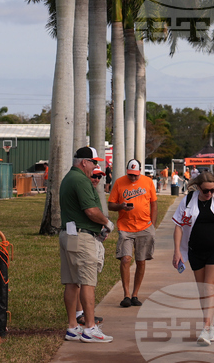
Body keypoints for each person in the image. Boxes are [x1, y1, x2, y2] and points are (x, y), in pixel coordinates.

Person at [171, 170, 214, 346]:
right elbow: (178, 227)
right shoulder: (187, 201)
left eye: (212, 190)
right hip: (195, 251)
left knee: (209, 288)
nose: (209, 194)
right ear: (198, 188)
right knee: (203, 291)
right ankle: (211, 327)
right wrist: (177, 251)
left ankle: (206, 327)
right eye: (205, 191)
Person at [60, 146, 114, 344]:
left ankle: (73, 327)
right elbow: (91, 211)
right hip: (81, 237)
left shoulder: (69, 178)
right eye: (94, 162)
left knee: (72, 282)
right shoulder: (81, 179)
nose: (96, 166)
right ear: (84, 162)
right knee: (87, 282)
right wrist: (107, 223)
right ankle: (90, 327)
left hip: (68, 234)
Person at [108, 159, 158, 308]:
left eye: (136, 175)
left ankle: (135, 294)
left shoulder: (148, 182)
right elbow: (111, 205)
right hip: (125, 228)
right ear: (126, 171)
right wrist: (120, 206)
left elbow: (154, 204)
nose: (133, 178)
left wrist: (152, 225)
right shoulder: (119, 182)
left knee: (141, 261)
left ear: (140, 172)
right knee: (125, 259)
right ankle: (126, 295)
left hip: (144, 227)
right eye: (130, 175)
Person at [74, 167, 107, 325]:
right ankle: (82, 315)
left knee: (86, 278)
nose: (96, 179)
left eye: (99, 177)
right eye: (94, 176)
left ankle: (83, 314)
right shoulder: (84, 190)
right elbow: (90, 213)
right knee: (83, 279)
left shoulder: (91, 191)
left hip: (92, 237)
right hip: (82, 237)